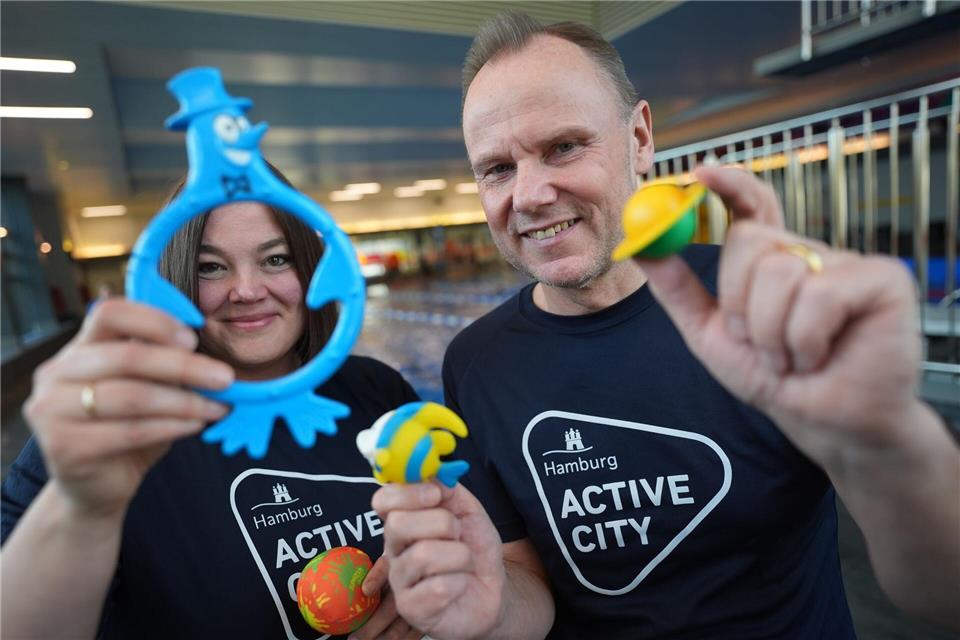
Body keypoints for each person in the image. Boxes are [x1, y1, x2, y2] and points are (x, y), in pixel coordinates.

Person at [371, 12, 960, 640]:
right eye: (497, 169)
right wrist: (487, 608)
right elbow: (525, 581)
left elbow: (944, 594)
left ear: (640, 139)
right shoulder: (475, 361)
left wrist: (887, 438)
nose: (530, 194)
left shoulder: (760, 305)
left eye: (564, 147)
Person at [1, 172, 424, 640]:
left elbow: (452, 527)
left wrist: (425, 580)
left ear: (310, 269)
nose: (247, 290)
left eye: (276, 259)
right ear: (177, 279)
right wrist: (81, 508)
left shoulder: (374, 388)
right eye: (211, 267)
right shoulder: (111, 431)